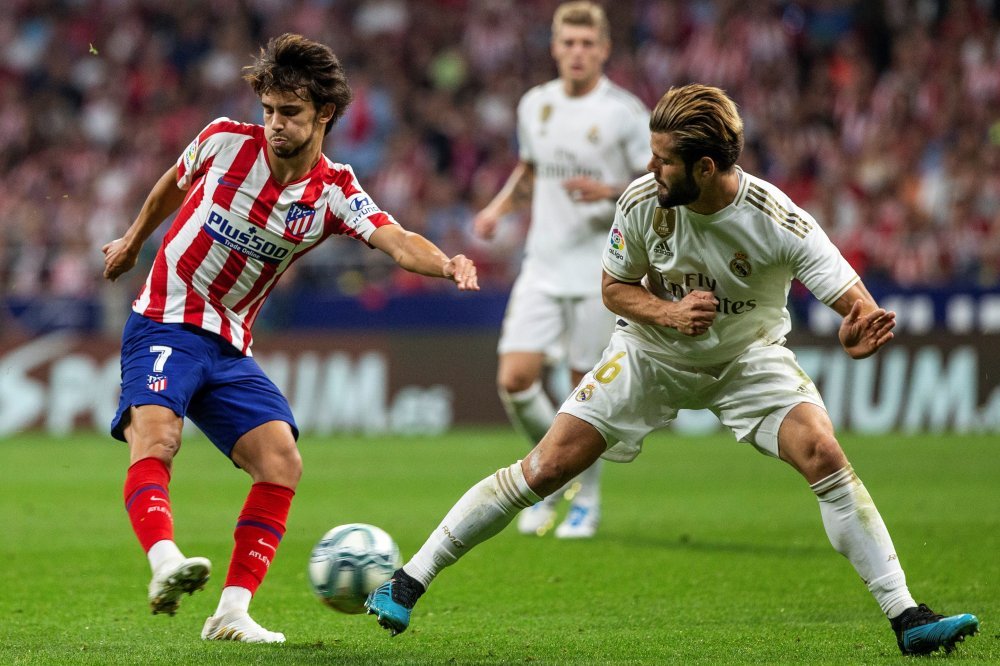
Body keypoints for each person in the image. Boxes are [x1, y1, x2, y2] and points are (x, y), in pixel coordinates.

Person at [366, 84, 980, 655]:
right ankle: (408, 580)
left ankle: (907, 617)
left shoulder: (777, 219)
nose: (650, 167)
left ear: (705, 168)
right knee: (546, 467)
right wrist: (669, 312)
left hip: (746, 360)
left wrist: (857, 331)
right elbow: (613, 288)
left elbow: (856, 307)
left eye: (663, 160)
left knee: (823, 451)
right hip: (647, 353)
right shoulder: (642, 202)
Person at [102, 33, 479, 644]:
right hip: (166, 319)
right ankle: (165, 561)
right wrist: (131, 240)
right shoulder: (225, 141)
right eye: (269, 110)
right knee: (158, 435)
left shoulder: (334, 191)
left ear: (324, 113)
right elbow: (174, 181)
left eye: (290, 112)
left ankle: (231, 612)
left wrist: (447, 263)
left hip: (230, 343)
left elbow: (397, 239)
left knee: (281, 461)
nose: (275, 123)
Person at [472, 1, 649, 539]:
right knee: (514, 380)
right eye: (568, 43)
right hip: (543, 264)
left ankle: (585, 498)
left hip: (602, 270)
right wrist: (498, 208)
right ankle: (550, 476)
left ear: (604, 49)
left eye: (587, 44)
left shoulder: (624, 113)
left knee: (583, 392)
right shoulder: (536, 104)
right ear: (554, 47)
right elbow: (531, 169)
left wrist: (609, 190)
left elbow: (658, 182)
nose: (577, 52)